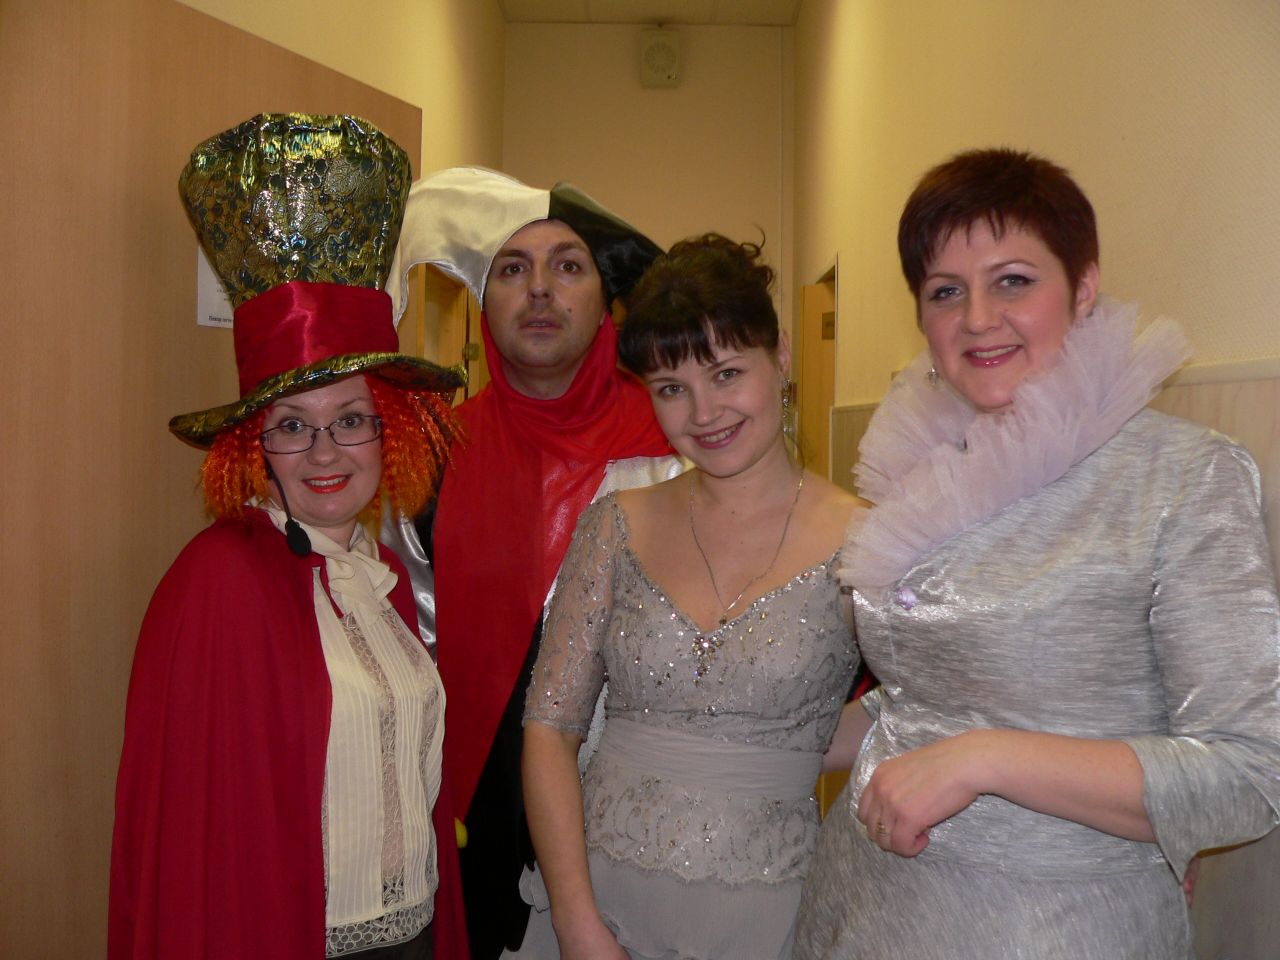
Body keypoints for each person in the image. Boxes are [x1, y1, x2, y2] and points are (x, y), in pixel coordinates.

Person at [792, 148, 1280, 959]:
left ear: (1084, 288)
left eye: (1013, 280)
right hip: (861, 905)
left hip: (1054, 928)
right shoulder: (934, 466)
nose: (978, 317)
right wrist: (765, 736)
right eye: (945, 291)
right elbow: (931, 693)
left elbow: (1248, 774)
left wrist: (983, 761)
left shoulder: (1184, 477)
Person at [109, 114, 467, 960]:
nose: (325, 452)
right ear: (253, 446)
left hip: (413, 934)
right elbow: (198, 850)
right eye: (292, 425)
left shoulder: (380, 575)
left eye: (351, 419)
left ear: (389, 430)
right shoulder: (217, 582)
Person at [509, 234, 863, 959]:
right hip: (597, 903)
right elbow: (549, 728)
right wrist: (577, 922)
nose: (704, 412)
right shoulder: (616, 526)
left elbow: (933, 704)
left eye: (727, 373)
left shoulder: (866, 540)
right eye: (672, 388)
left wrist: (794, 748)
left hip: (767, 917)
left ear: (781, 356)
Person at [387, 167, 682, 958]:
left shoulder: (678, 449)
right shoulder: (431, 460)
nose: (541, 290)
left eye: (568, 266)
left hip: (647, 830)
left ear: (606, 298)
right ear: (484, 300)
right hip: (477, 840)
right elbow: (409, 657)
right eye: (513, 269)